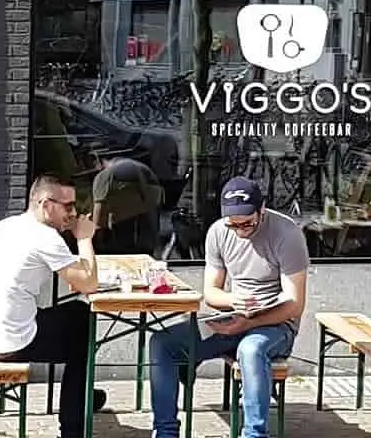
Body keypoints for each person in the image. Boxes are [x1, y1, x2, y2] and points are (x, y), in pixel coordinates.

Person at [149, 176, 309, 438]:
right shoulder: (218, 232)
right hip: (233, 317)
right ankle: (166, 431)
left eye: (247, 223)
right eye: (233, 224)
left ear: (262, 209)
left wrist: (251, 322)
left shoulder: (287, 233)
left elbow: (294, 304)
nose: (240, 230)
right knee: (162, 342)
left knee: (251, 349)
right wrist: (233, 301)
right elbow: (211, 293)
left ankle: (255, 434)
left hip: (276, 325)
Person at [0, 174, 106, 438]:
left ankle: (83, 396)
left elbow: (74, 278)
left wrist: (77, 274)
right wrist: (85, 238)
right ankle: (73, 426)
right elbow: (89, 284)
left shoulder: (8, 225)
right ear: (46, 205)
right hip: (7, 342)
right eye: (68, 206)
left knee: (75, 315)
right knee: (84, 328)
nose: (73, 214)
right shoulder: (45, 237)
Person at [91, 152, 163, 256]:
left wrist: (94, 244)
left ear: (96, 161)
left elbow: (99, 218)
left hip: (125, 186)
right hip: (152, 187)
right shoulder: (139, 167)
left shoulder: (104, 176)